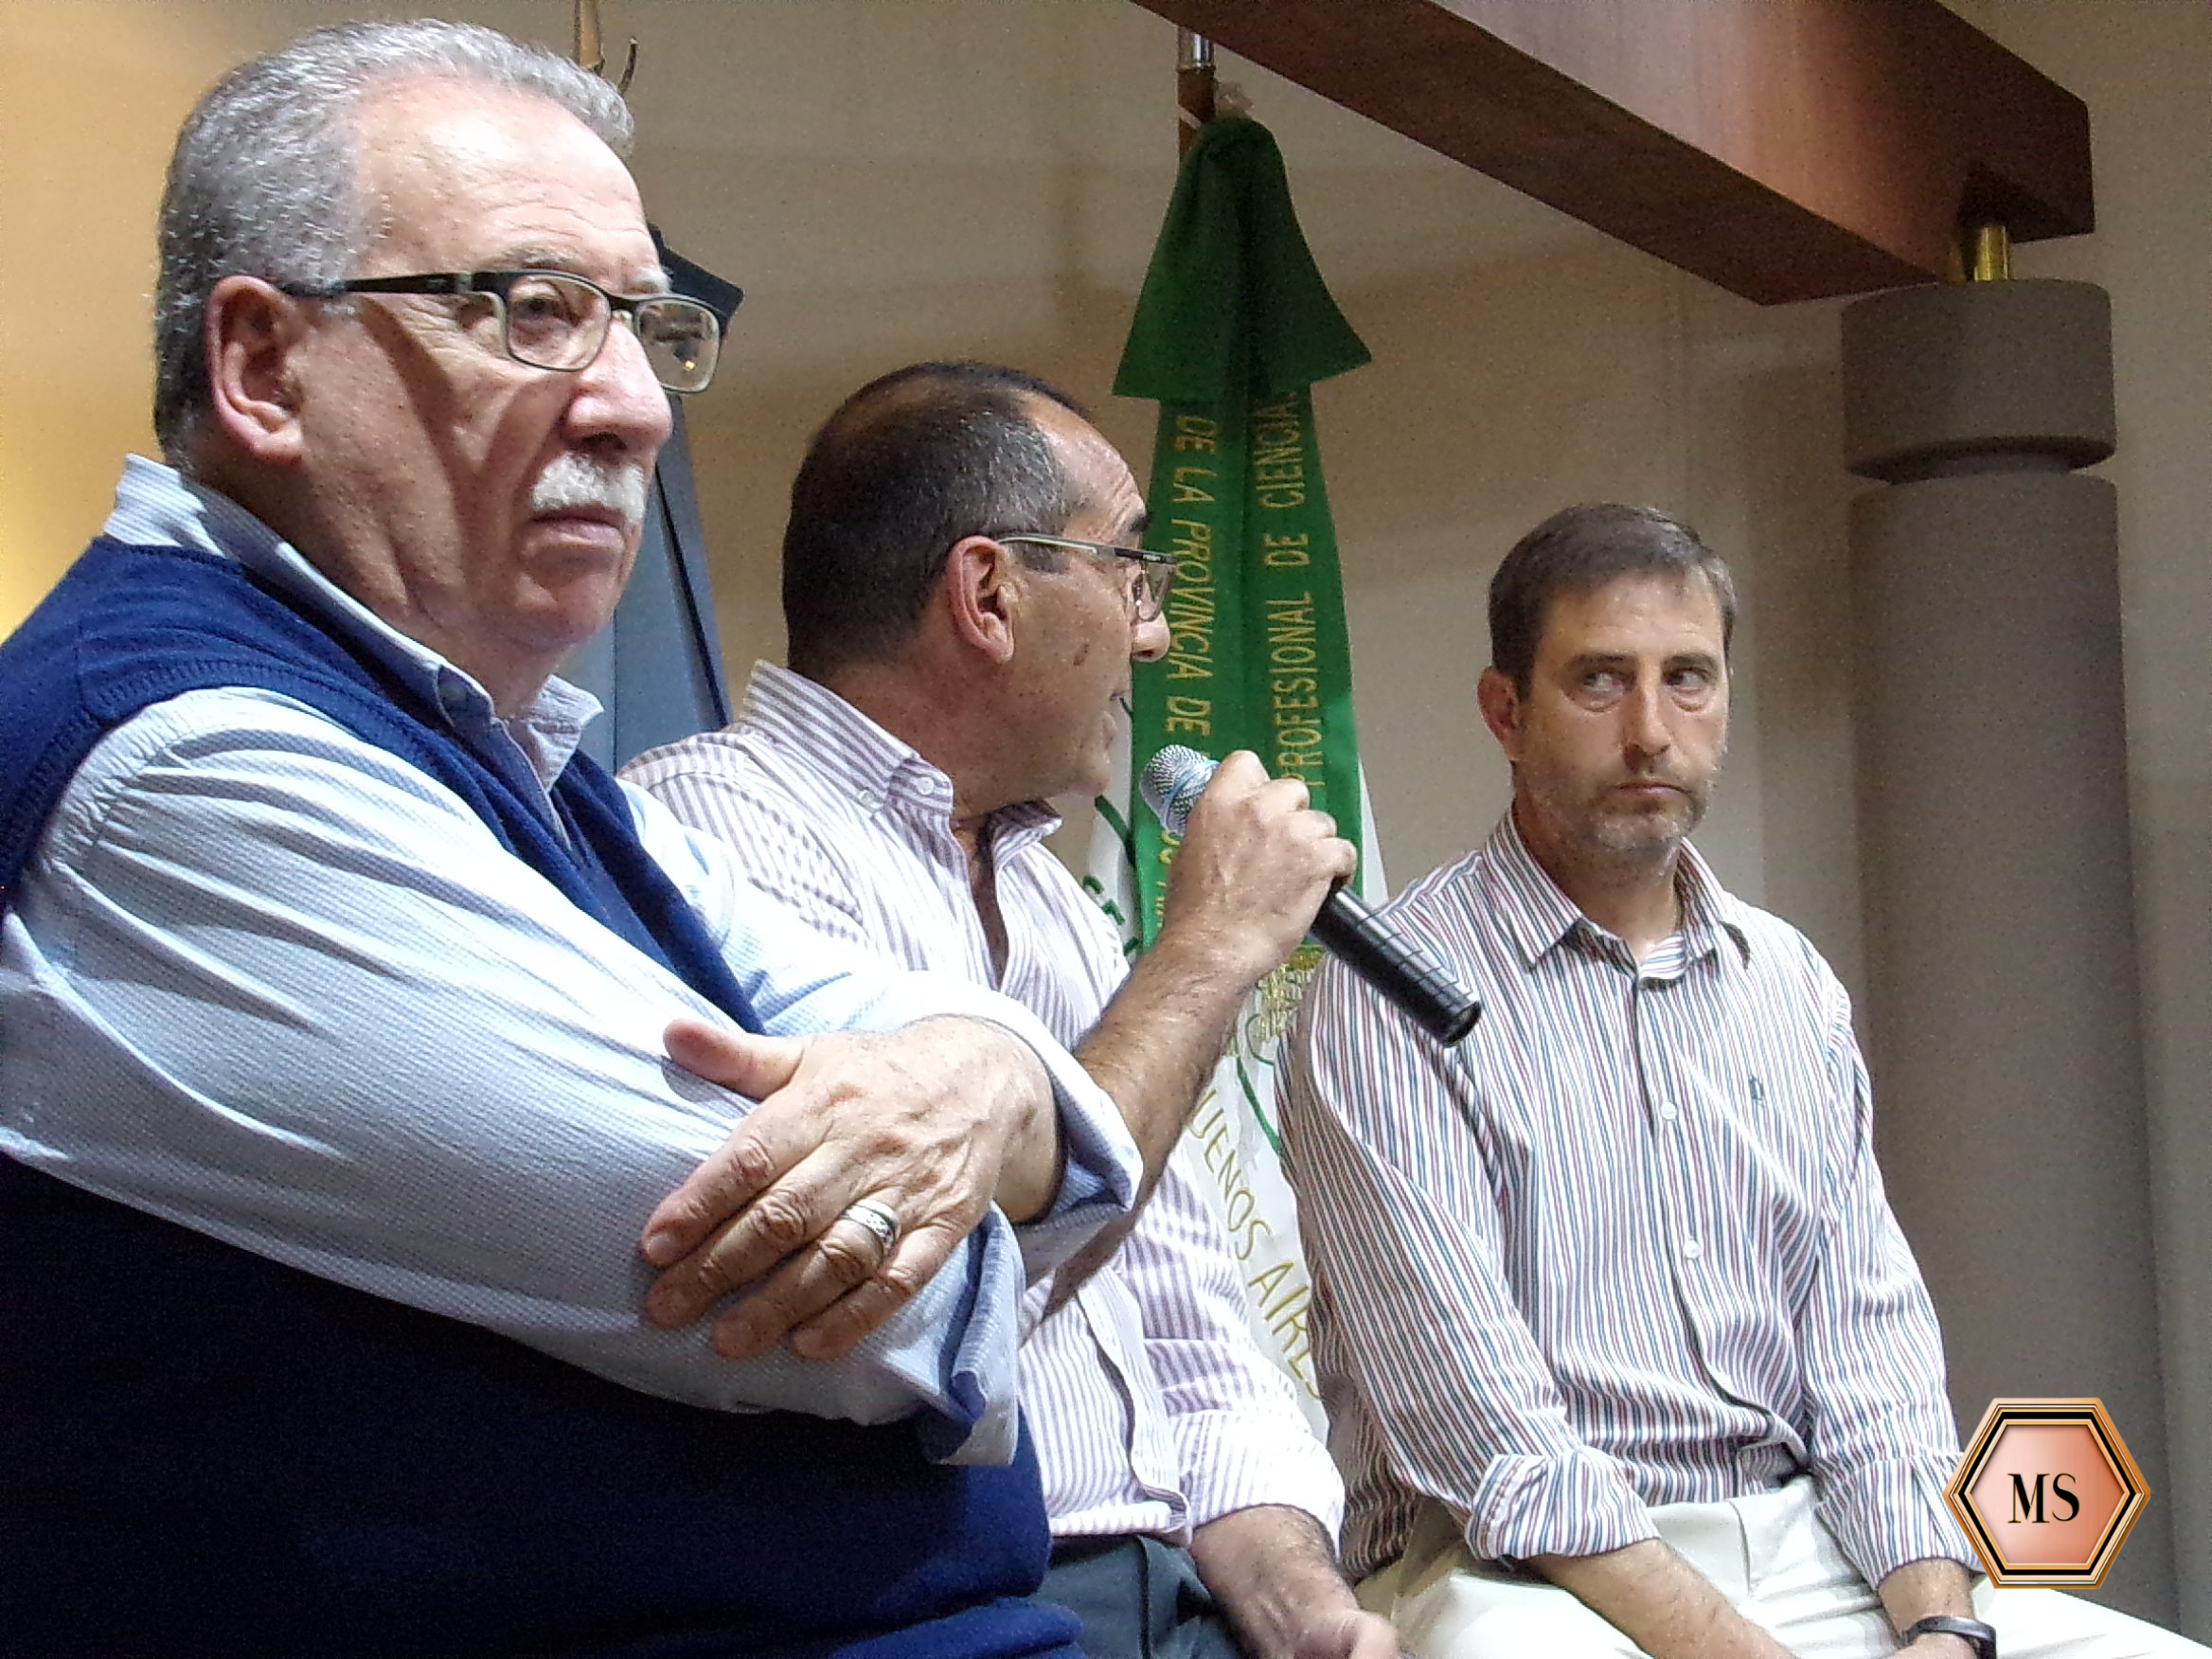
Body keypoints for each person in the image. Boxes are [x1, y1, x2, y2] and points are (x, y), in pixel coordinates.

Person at [0, 25, 1345, 1659]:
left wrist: (993, 1071)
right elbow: (879, 1312)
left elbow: (1045, 1134)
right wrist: (1013, 1094)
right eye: (533, 310)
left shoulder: (508, 750)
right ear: (265, 367)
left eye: (647, 328)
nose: (636, 407)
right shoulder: (178, 763)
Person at [1278, 504, 2204, 1659]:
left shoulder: (1787, 981)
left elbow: (1869, 1359)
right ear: (1504, 713)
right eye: (1599, 681)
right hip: (1512, 1578)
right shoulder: (1385, 994)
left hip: (1809, 1544)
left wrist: (1939, 1628)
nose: (1649, 731)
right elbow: (1489, 1438)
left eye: (1687, 679)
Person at [624, 361, 1393, 1659]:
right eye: (1130, 571)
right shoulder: (717, 830)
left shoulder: (1044, 894)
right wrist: (1206, 954)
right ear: (986, 594)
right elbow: (916, 1293)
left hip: (1184, 1588)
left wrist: (1299, 1601)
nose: (1152, 636)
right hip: (945, 1599)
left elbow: (1184, 1310)